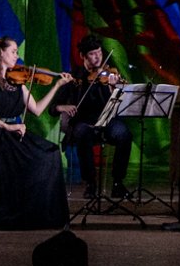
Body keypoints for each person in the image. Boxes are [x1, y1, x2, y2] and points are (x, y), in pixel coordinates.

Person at [0, 37, 73, 230]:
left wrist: (57, 86)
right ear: (1, 52)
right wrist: (7, 126)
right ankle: (16, 212)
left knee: (50, 152)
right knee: (34, 159)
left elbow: (37, 109)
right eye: (14, 51)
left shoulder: (18, 81)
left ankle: (38, 213)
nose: (17, 56)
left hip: (12, 134)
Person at [51, 35, 134, 197]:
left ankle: (117, 183)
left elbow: (122, 104)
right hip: (83, 123)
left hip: (107, 122)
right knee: (82, 133)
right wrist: (64, 106)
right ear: (83, 56)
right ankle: (90, 183)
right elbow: (53, 108)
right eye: (92, 54)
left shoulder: (108, 75)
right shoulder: (74, 77)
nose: (98, 57)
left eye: (99, 53)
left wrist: (114, 88)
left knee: (124, 134)